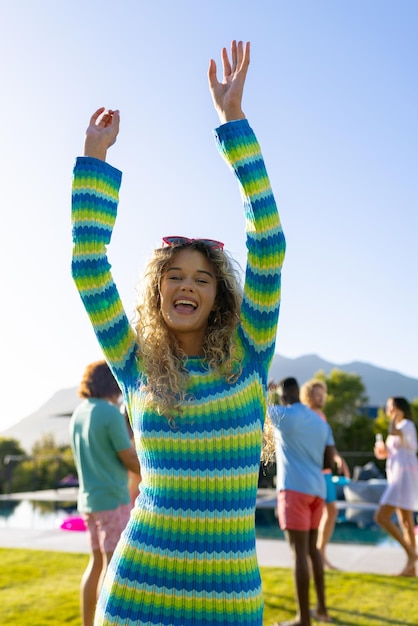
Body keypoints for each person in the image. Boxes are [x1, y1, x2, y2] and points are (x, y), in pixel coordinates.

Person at [71, 40, 286, 626]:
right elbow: (89, 269)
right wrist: (95, 162)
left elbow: (268, 243)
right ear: (158, 289)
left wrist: (233, 123)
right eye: (174, 276)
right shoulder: (134, 363)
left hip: (230, 602)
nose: (187, 287)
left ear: (220, 295)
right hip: (139, 591)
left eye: (201, 278)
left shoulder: (250, 353)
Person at [70, 360, 141, 626]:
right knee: (112, 570)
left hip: (88, 501)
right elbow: (129, 458)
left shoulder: (80, 413)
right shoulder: (109, 413)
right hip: (112, 499)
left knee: (96, 564)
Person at [269, 377, 334, 626]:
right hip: (317, 490)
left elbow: (254, 407)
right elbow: (328, 462)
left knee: (298, 554)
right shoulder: (319, 423)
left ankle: (303, 619)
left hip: (294, 490)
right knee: (312, 550)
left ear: (285, 396)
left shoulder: (285, 415)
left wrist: (268, 391)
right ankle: (322, 609)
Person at [300, 378, 350, 570]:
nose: (321, 398)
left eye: (323, 394)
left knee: (331, 511)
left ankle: (320, 552)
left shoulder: (321, 416)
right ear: (308, 396)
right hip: (312, 473)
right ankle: (313, 555)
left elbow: (327, 443)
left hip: (325, 473)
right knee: (316, 513)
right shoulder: (305, 415)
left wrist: (338, 458)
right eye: (317, 394)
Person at [374, 396, 418, 576]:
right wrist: (383, 452)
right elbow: (393, 452)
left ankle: (411, 553)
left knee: (381, 517)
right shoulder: (401, 427)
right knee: (406, 522)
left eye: (389, 406)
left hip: (404, 476)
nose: (386, 409)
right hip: (397, 475)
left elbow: (394, 431)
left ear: (398, 408)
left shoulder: (406, 424)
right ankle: (411, 569)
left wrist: (395, 417)